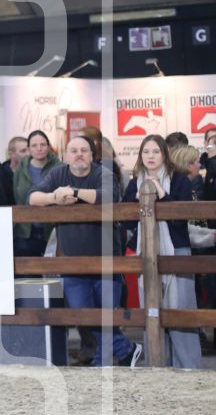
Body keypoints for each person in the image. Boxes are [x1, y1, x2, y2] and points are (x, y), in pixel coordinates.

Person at [29, 135, 141, 367]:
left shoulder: (103, 173)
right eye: (74, 150)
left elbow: (109, 196)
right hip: (72, 262)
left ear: (92, 155)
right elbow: (32, 198)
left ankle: (102, 362)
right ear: (65, 156)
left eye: (84, 150)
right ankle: (126, 349)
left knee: (106, 314)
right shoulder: (58, 174)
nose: (79, 154)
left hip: (107, 260)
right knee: (85, 315)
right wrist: (54, 197)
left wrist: (74, 193)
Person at [122, 135, 200, 368]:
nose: (151, 156)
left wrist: (162, 194)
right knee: (151, 309)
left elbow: (182, 218)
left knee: (181, 309)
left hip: (176, 251)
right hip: (145, 252)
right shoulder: (135, 182)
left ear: (164, 154)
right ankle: (157, 364)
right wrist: (138, 201)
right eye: (146, 152)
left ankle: (189, 366)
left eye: (156, 151)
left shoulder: (179, 180)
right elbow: (125, 221)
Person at [12, 130, 62, 257]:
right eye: (34, 145)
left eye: (43, 144)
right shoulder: (21, 167)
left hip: (52, 229)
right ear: (29, 149)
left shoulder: (60, 167)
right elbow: (17, 195)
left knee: (52, 267)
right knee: (26, 266)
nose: (39, 148)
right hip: (25, 230)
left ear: (49, 146)